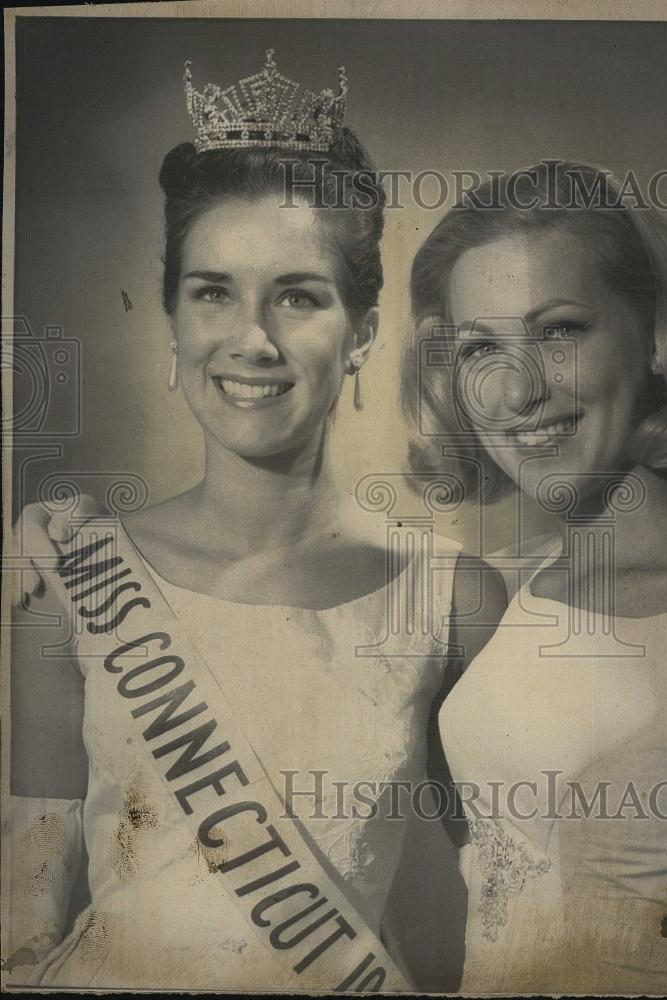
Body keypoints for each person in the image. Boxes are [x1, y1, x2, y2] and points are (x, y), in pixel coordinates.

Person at [5, 53, 505, 992]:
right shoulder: (65, 579)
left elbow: (527, 900)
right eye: (213, 291)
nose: (252, 339)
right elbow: (20, 920)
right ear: (170, 319)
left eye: (299, 295)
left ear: (360, 333)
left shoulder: (452, 599)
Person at [402, 161, 667, 995]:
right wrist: (72, 547)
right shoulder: (495, 596)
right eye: (480, 348)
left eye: (559, 330)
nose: (519, 389)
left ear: (652, 335)